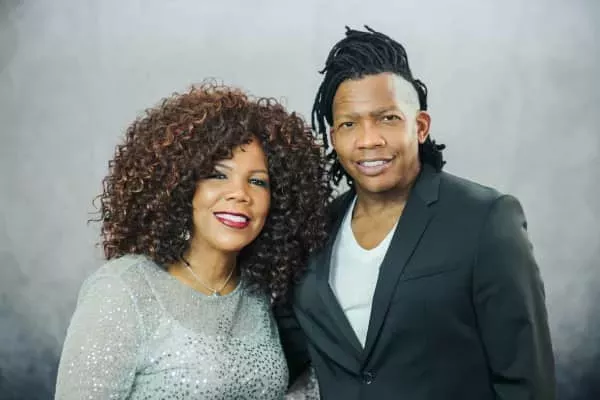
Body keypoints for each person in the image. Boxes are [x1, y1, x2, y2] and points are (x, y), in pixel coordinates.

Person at [276, 26, 556, 399]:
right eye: (349, 124)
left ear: (420, 127)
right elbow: (282, 356)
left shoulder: (485, 219)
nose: (369, 140)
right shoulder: (315, 232)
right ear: (333, 138)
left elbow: (526, 383)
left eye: (388, 118)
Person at [55, 82, 329, 399]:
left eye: (257, 181)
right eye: (218, 175)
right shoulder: (124, 290)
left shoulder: (257, 296)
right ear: (180, 186)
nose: (240, 194)